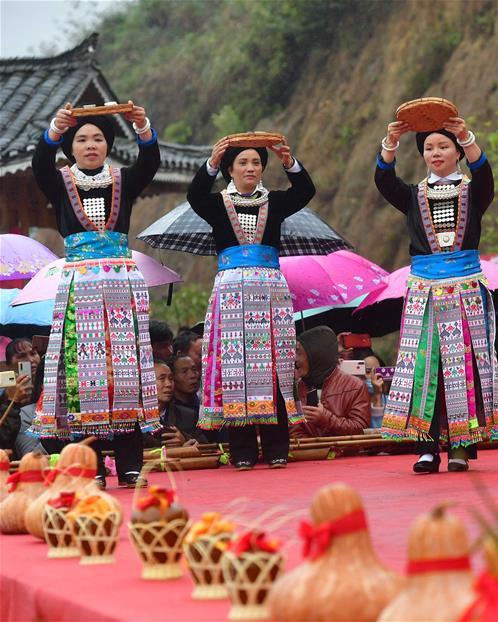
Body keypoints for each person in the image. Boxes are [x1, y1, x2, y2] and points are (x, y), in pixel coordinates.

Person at [29, 101, 160, 488]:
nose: (90, 145)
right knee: (84, 376)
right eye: (82, 139)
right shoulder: (60, 180)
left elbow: (149, 163)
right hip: (79, 287)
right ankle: (94, 467)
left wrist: (143, 127)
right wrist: (54, 128)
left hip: (122, 284)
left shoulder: (124, 180)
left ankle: (131, 464)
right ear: (71, 148)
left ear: (108, 145)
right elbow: (39, 163)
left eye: (98, 138)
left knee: (125, 375)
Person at [375, 113, 498, 473]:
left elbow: (485, 174)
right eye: (429, 147)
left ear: (457, 152)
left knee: (463, 367)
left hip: (465, 289)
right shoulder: (412, 197)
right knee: (425, 366)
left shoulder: (474, 191)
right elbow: (384, 181)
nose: (436, 153)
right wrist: (391, 142)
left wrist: (468, 136)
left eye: (444, 146)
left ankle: (462, 448)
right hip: (425, 294)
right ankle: (427, 448)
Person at [187, 135, 315, 470]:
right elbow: (194, 195)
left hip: (270, 291)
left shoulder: (275, 201)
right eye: (242, 162)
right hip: (230, 291)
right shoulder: (216, 204)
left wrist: (290, 163)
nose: (250, 168)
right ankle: (241, 447)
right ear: (230, 169)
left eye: (256, 163)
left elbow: (305, 192)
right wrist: (210, 163)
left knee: (273, 366)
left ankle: (276, 446)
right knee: (236, 368)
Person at [293, 327, 371, 437]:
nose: (294, 358)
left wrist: (326, 419)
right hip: (310, 453)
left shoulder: (355, 386)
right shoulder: (296, 390)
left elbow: (360, 428)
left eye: (298, 353)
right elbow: (294, 430)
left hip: (346, 453)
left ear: (316, 355)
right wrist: (316, 451)